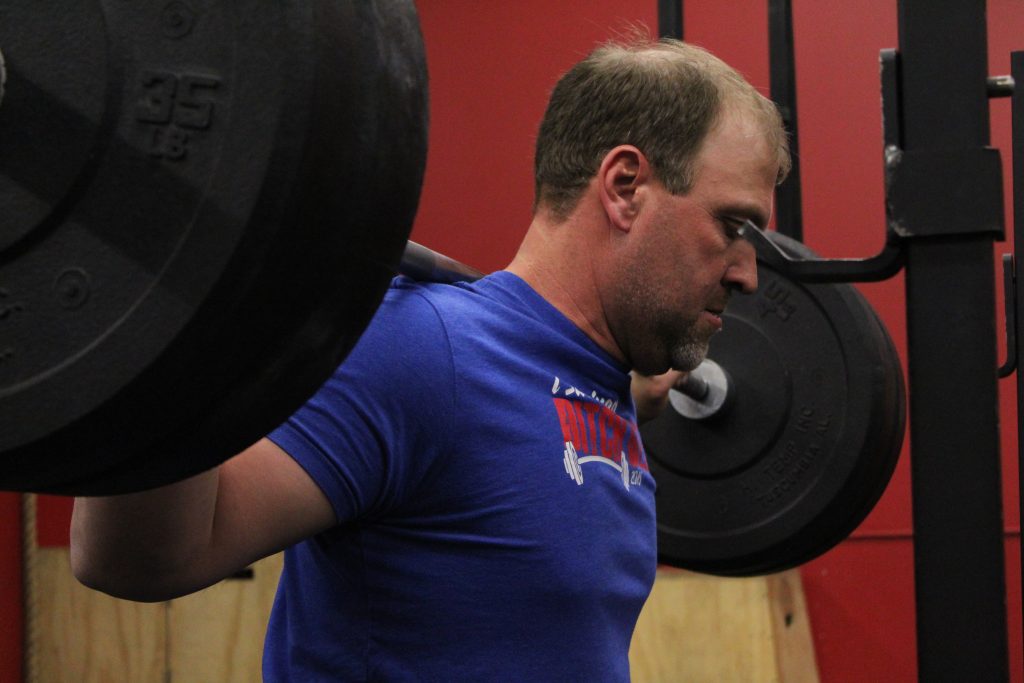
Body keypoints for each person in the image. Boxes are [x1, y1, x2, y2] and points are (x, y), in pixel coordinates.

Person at [71, 35, 789, 681]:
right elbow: (135, 560)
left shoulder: (592, 383)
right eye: (732, 225)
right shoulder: (422, 351)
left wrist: (631, 396)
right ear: (625, 187)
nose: (748, 274)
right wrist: (182, 290)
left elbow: (515, 449)